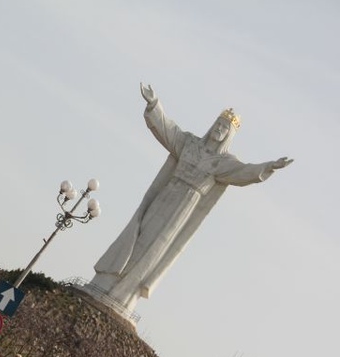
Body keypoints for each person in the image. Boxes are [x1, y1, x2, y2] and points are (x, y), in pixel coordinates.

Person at [89, 83, 294, 312]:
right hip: (165, 195)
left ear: (229, 135)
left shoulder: (223, 163)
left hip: (182, 209)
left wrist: (270, 166)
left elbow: (245, 172)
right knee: (138, 235)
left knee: (154, 250)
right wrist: (155, 104)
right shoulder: (189, 143)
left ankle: (125, 295)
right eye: (217, 124)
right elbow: (167, 129)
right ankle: (107, 281)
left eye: (224, 127)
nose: (219, 129)